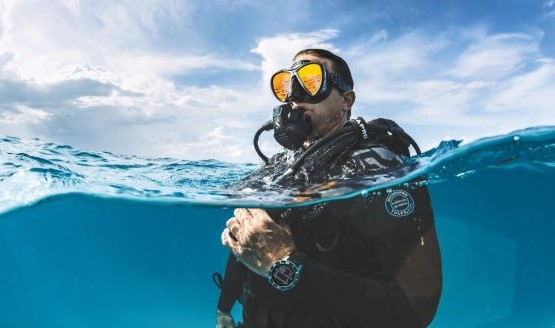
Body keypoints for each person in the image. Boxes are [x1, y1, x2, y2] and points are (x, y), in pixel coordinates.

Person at [214, 49, 442, 328]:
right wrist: (224, 310)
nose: (295, 95)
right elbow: (248, 245)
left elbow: (415, 308)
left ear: (347, 100)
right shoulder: (277, 170)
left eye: (311, 80)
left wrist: (284, 264)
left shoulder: (377, 168)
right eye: (287, 84)